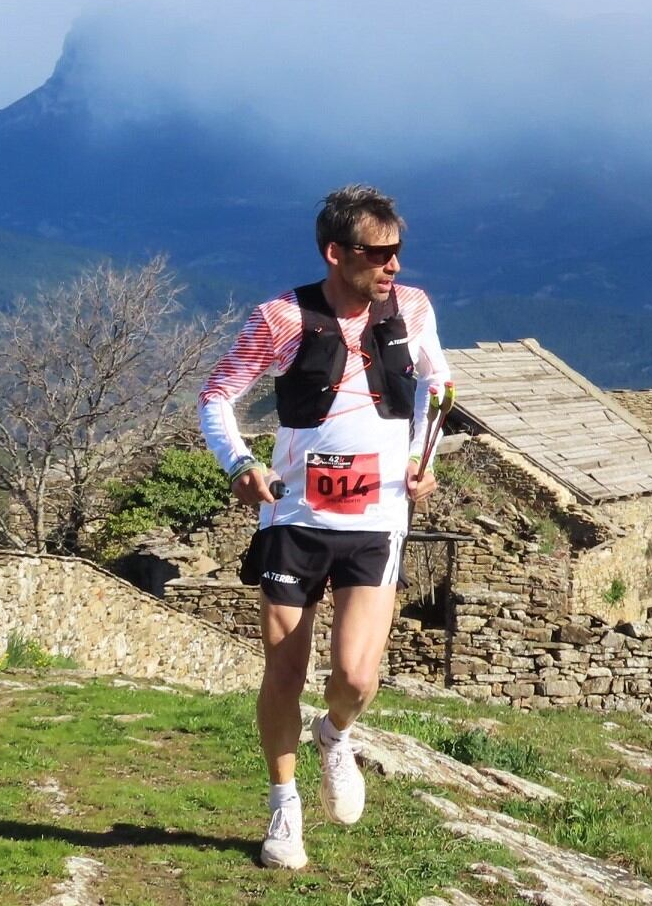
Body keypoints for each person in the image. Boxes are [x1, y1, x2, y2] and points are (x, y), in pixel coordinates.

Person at [198, 184, 448, 870]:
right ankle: (284, 811)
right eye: (378, 253)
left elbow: (438, 387)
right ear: (337, 253)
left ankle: (334, 735)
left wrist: (424, 463)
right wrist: (238, 463)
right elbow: (217, 396)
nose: (392, 265)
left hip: (377, 520)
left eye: (398, 251)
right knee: (284, 669)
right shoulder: (281, 318)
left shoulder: (414, 309)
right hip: (296, 518)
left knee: (356, 677)